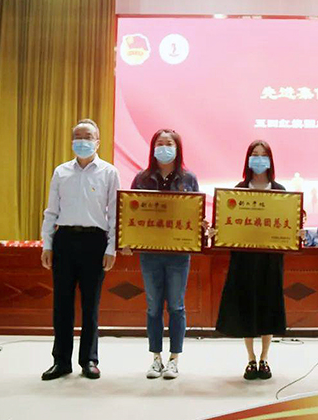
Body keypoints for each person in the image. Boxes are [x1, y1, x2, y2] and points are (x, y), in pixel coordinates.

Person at [40, 119, 120, 381]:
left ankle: (89, 360)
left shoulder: (109, 172)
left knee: (90, 304)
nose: (82, 141)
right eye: (78, 136)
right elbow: (51, 211)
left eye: (88, 137)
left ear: (97, 142)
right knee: (62, 304)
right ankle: (61, 361)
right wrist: (47, 244)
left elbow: (115, 214)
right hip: (64, 240)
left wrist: (112, 248)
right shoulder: (61, 171)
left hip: (95, 242)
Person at [124, 129, 199, 379]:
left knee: (176, 307)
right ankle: (155, 358)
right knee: (153, 307)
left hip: (178, 254)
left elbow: (195, 213)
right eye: (159, 143)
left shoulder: (188, 179)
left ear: (178, 149)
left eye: (169, 143)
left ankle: (174, 359)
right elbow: (130, 213)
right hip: (150, 253)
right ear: (152, 147)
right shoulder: (142, 178)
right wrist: (127, 240)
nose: (164, 147)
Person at [215, 140, 287, 380]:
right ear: (247, 159)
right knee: (246, 307)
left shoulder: (280, 191)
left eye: (263, 155)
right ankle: (250, 359)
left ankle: (265, 358)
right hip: (244, 261)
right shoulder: (238, 190)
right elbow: (228, 224)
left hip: (270, 260)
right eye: (254, 154)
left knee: (268, 307)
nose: (259, 159)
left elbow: (287, 223)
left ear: (270, 160)